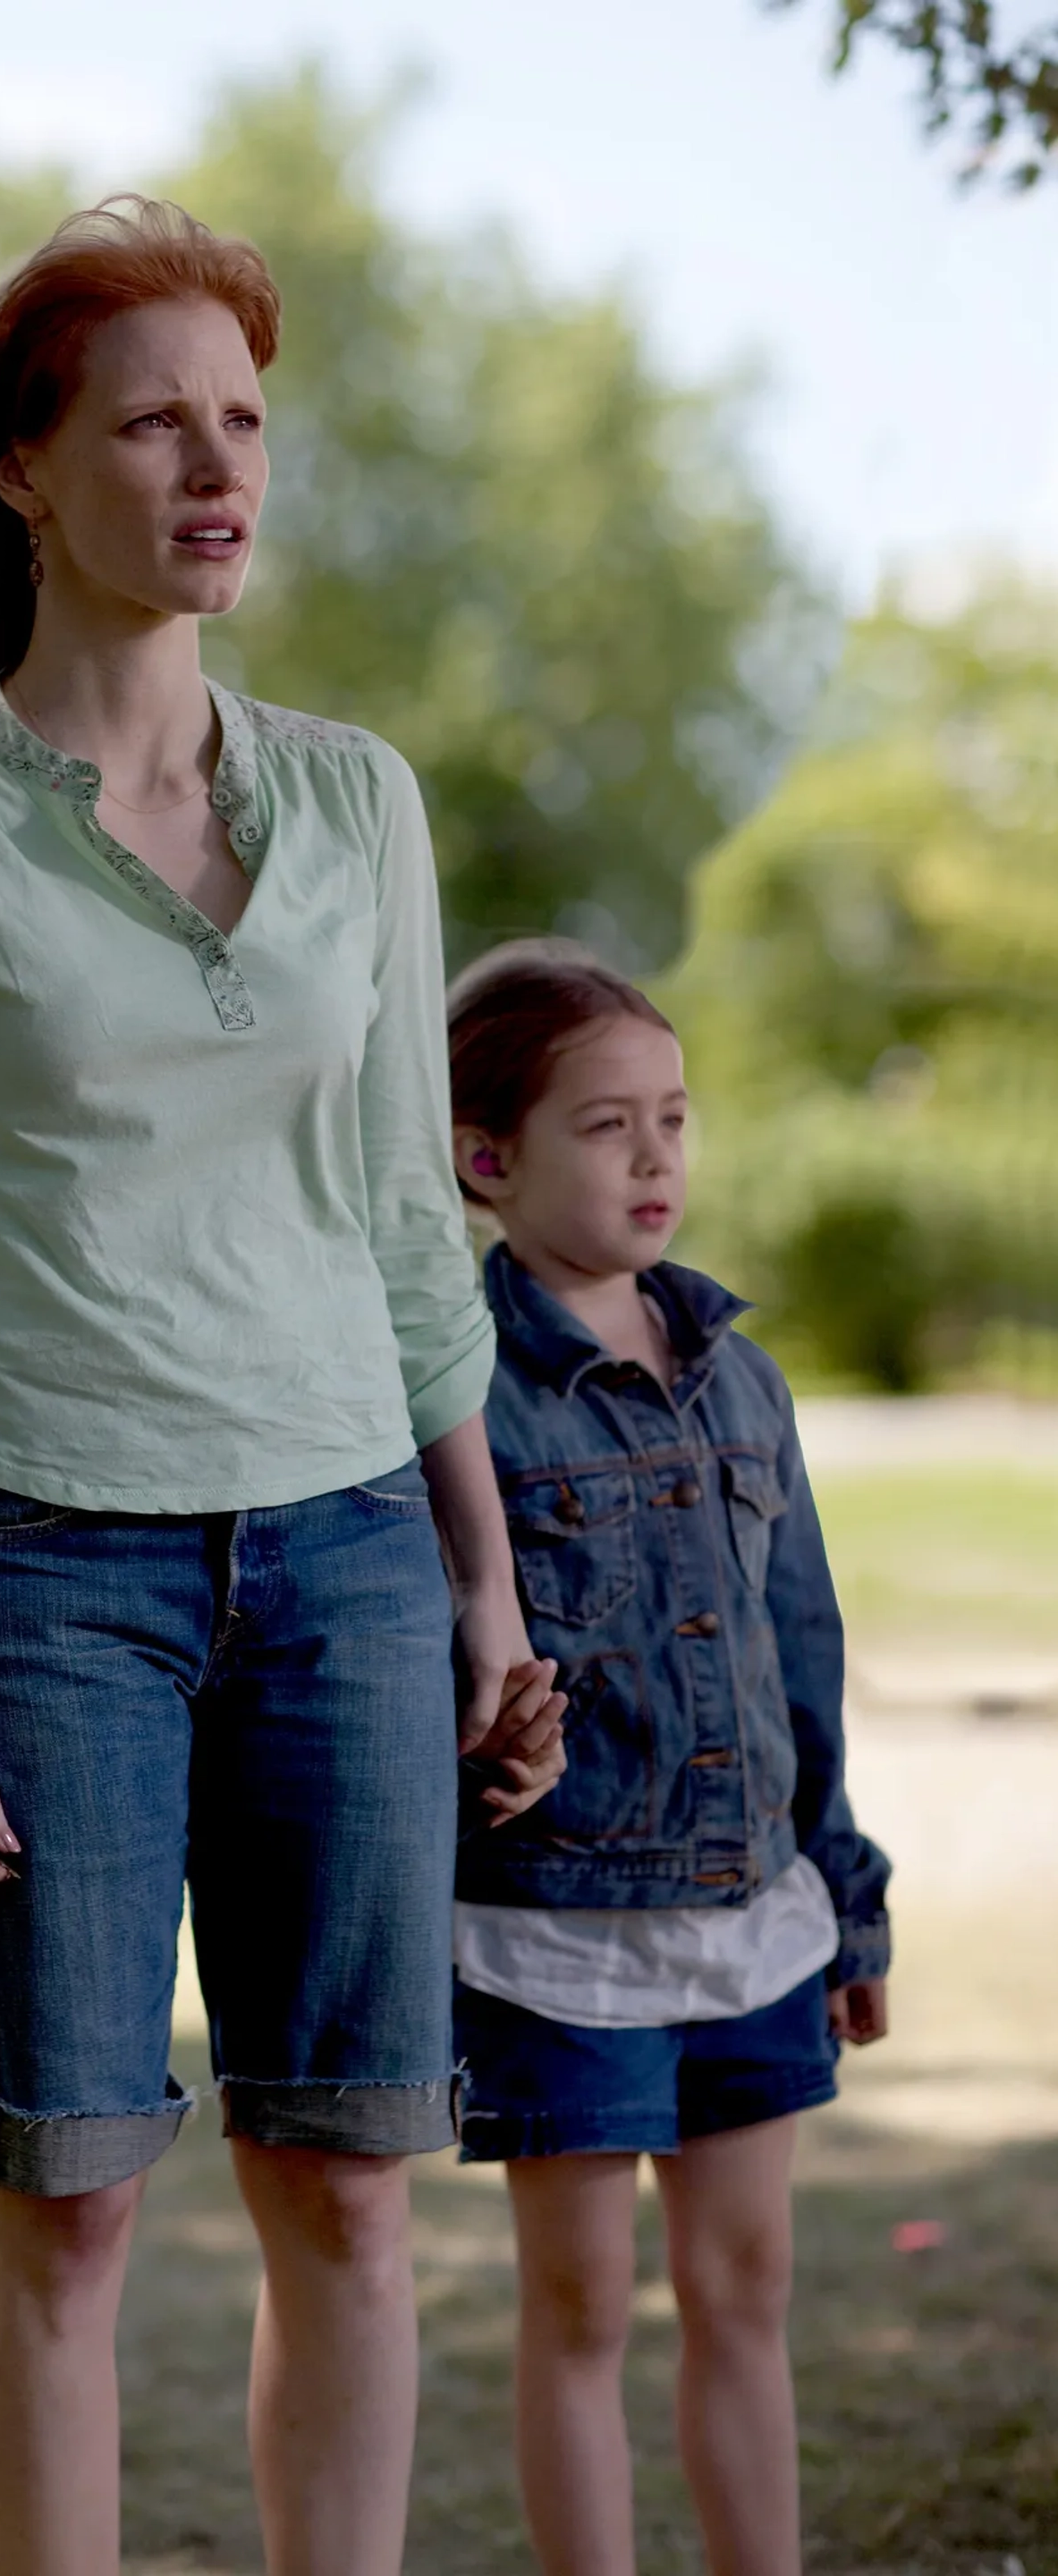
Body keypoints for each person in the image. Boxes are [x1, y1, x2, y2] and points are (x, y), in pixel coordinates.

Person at [0, 198, 565, 2576]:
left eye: (245, 423)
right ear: (25, 469)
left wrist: (486, 1583)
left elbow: (414, 1230)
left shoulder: (357, 804)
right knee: (79, 2208)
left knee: (347, 2189)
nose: (219, 470)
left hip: (348, 1566)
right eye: (155, 423)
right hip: (39, 1580)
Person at [444, 941, 892, 2576]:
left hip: (751, 1918)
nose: (655, 1159)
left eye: (676, 1121)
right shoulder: (458, 1397)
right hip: (558, 1940)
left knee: (747, 2287)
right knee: (578, 2313)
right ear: (486, 1157)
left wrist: (846, 1897)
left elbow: (803, 1652)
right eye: (606, 1125)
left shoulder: (743, 1378)